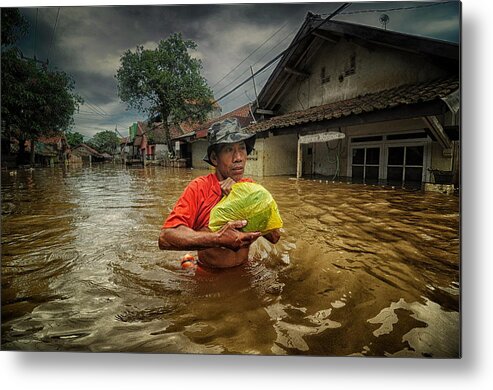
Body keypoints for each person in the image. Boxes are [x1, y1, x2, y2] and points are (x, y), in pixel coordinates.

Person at [158, 117, 280, 269]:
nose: (239, 158)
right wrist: (218, 238)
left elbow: (275, 237)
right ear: (215, 158)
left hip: (244, 271)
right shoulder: (199, 188)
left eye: (242, 148)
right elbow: (165, 238)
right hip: (209, 276)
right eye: (229, 150)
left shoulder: (251, 188)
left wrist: (242, 200)